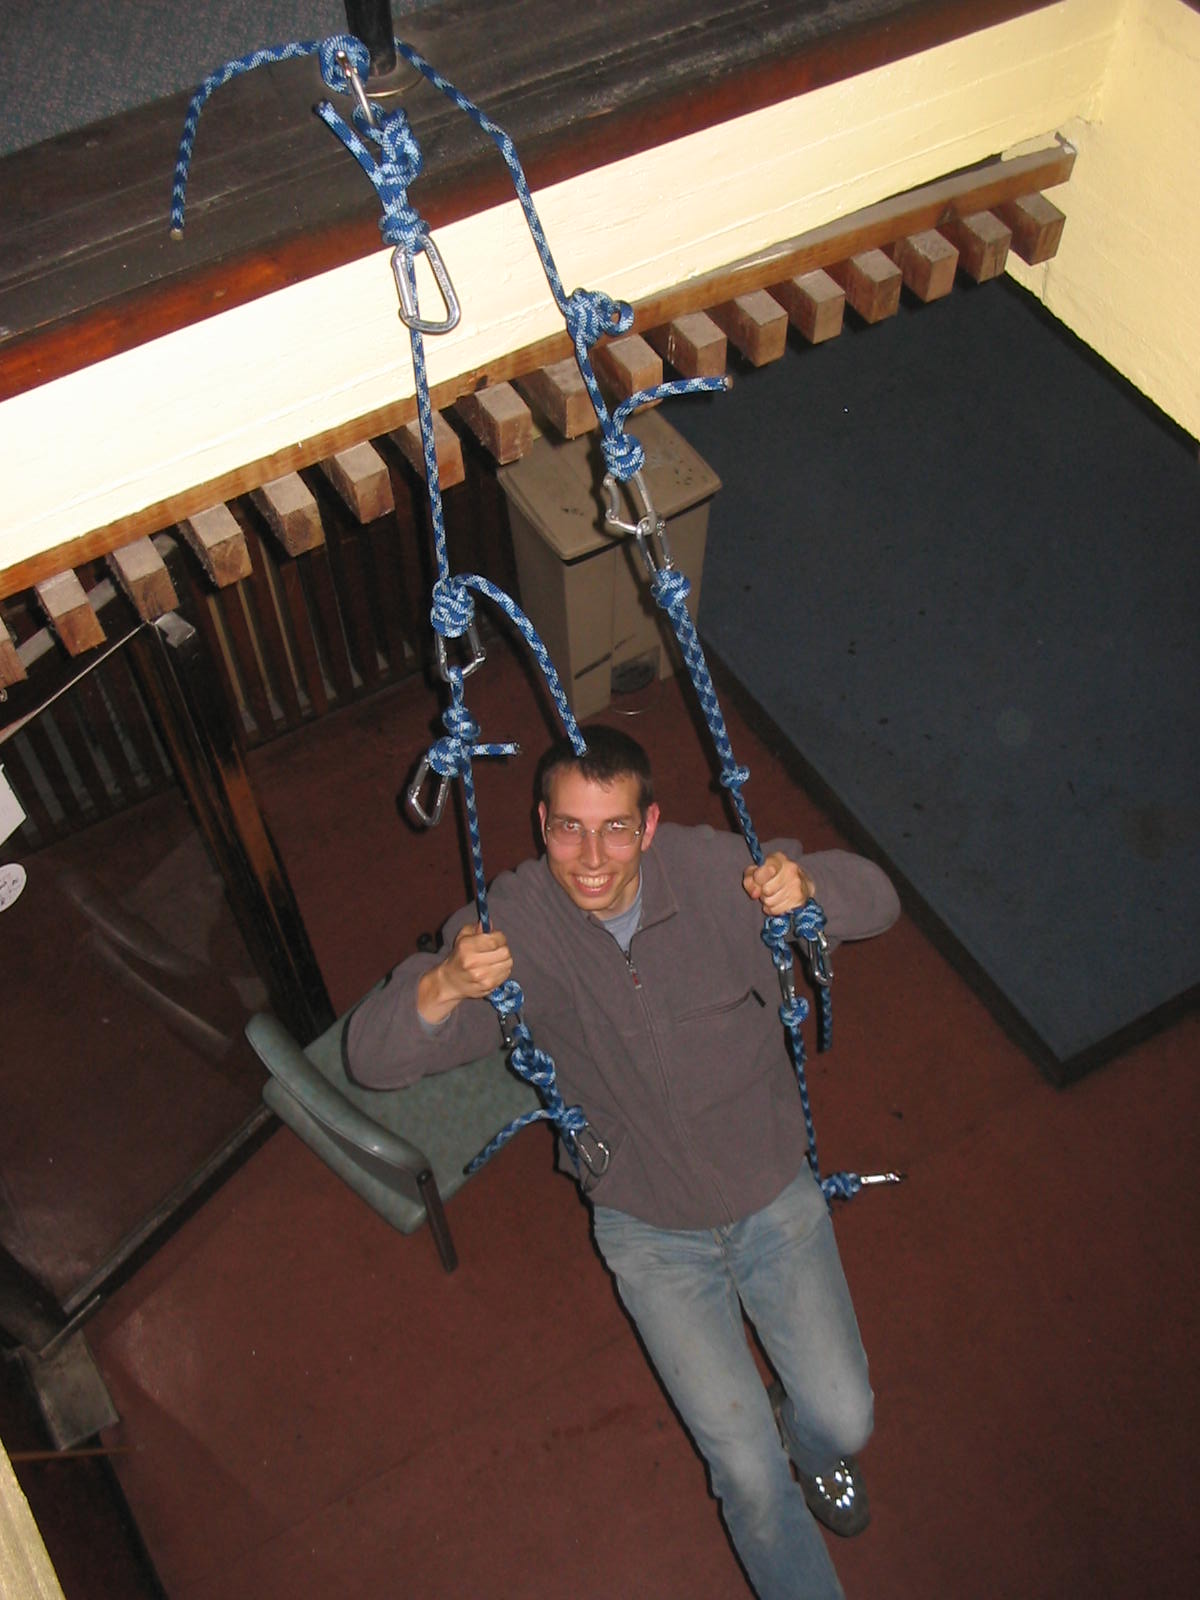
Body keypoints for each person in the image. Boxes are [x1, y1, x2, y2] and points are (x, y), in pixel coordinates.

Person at [347, 726, 901, 1599]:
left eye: (614, 829)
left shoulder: (716, 873)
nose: (592, 858)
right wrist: (443, 985)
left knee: (845, 1417)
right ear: (541, 825)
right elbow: (370, 1060)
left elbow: (880, 898)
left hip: (770, 1192)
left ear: (649, 825)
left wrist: (810, 891)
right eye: (569, 829)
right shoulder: (515, 922)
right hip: (648, 1229)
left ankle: (807, 1439)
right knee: (748, 1477)